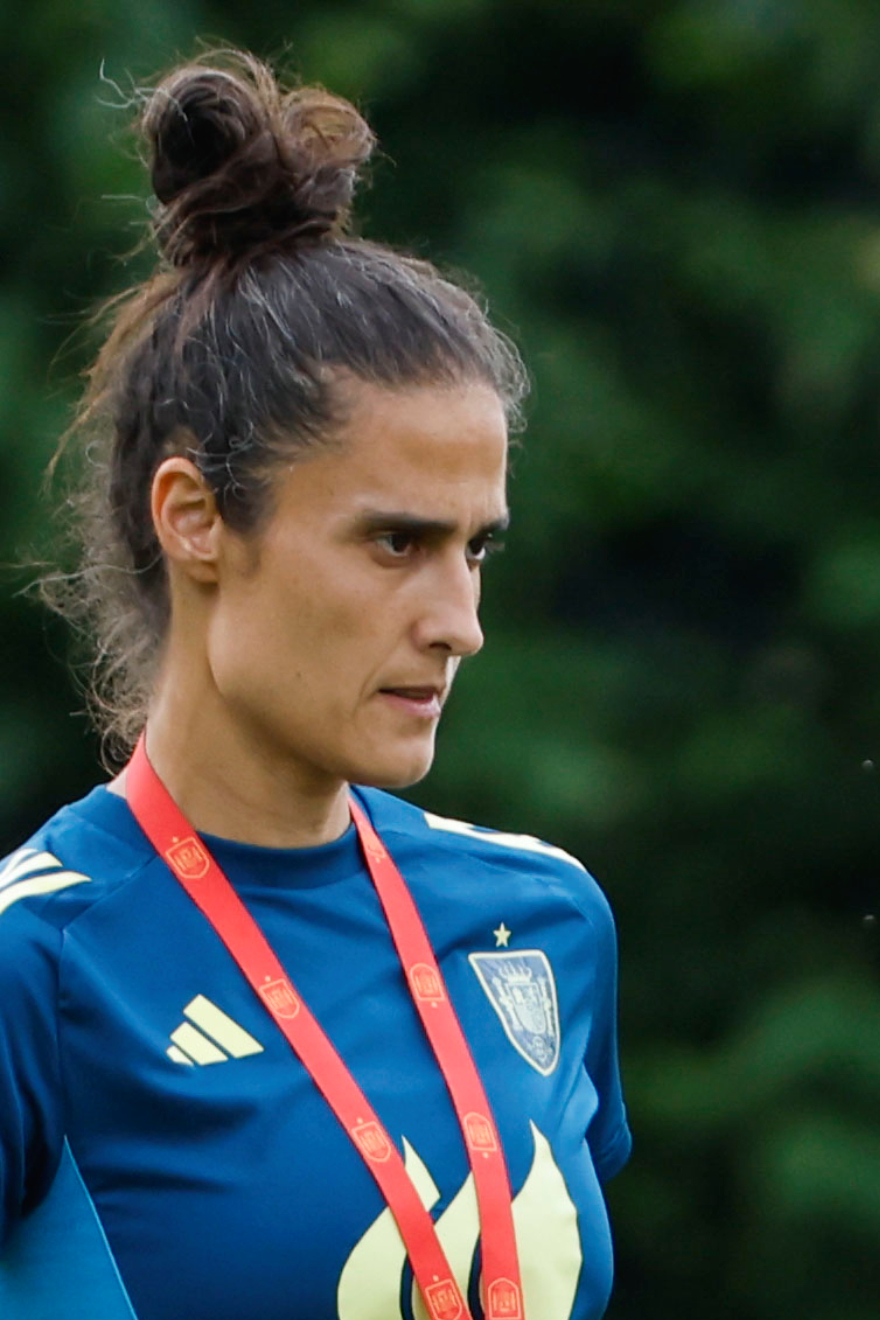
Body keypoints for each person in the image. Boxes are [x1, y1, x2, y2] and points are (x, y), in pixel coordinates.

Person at [0, 51, 630, 1320]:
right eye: (395, 542)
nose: (460, 624)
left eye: (477, 548)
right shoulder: (38, 964)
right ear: (194, 521)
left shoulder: (541, 919)